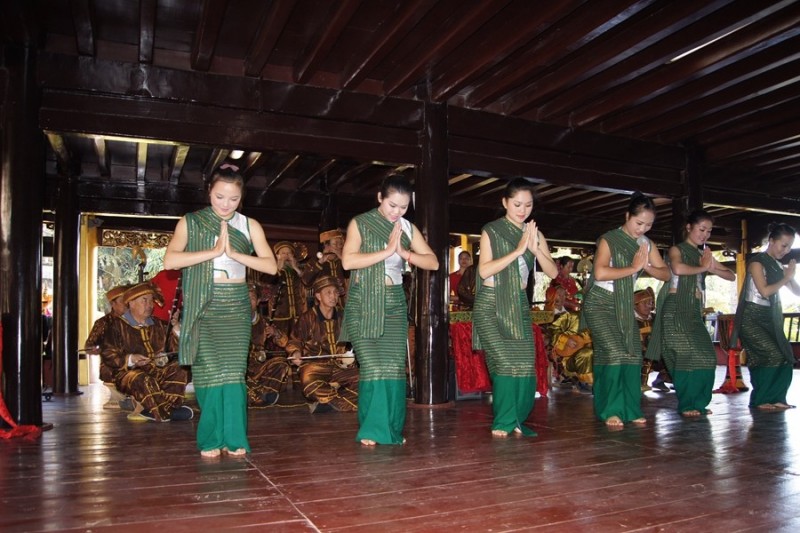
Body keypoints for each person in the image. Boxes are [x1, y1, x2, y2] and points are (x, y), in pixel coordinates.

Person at [164, 163, 277, 458]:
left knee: (233, 373)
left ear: (242, 198)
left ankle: (235, 437)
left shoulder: (250, 225)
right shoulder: (190, 222)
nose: (226, 205)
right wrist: (213, 253)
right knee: (209, 373)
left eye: (233, 199)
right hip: (204, 303)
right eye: (219, 197)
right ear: (208, 193)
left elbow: (270, 265)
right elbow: (170, 261)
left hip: (236, 304)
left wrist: (235, 253)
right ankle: (211, 438)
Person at [341, 174, 439, 446]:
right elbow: (348, 261)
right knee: (373, 366)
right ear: (379, 198)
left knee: (393, 367)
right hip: (364, 302)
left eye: (404, 207)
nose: (397, 212)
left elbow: (432, 262)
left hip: (394, 302)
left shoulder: (407, 228)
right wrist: (386, 252)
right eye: (392, 205)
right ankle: (372, 429)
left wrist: (405, 253)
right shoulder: (360, 223)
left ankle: (391, 428)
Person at [472, 178, 558, 437]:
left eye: (528, 205)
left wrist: (535, 249)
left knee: (524, 363)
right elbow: (485, 269)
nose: (522, 210)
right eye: (517, 204)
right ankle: (504, 420)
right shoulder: (492, 230)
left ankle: (517, 419)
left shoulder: (535, 233)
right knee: (506, 362)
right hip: (491, 302)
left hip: (518, 303)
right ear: (505, 203)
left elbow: (553, 272)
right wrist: (518, 250)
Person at [582, 192, 670, 428]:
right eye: (638, 223)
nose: (642, 229)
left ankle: (629, 409)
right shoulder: (609, 239)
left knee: (632, 354)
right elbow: (600, 272)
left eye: (648, 225)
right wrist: (632, 267)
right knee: (612, 353)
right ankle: (610, 409)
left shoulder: (646, 244)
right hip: (600, 302)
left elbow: (666, 273)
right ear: (627, 216)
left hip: (623, 304)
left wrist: (646, 267)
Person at [647, 210, 736, 416]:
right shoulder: (676, 249)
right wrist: (702, 267)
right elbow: (677, 269)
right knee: (686, 356)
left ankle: (699, 402)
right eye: (701, 229)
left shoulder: (702, 256)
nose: (705, 234)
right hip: (676, 307)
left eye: (709, 231)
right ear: (689, 227)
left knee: (706, 356)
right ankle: (688, 404)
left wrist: (711, 267)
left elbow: (731, 276)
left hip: (693, 311)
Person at [731, 222, 800, 411]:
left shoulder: (778, 265)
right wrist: (786, 277)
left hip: (769, 319)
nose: (786, 250)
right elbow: (764, 291)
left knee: (786, 357)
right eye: (783, 245)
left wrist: (790, 276)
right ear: (771, 241)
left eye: (789, 247)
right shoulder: (756, 262)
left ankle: (777, 398)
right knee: (771, 356)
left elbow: (797, 291)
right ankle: (762, 399)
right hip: (751, 318)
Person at [100, 282, 192, 422]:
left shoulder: (159, 325)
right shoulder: (115, 327)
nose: (150, 305)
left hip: (157, 370)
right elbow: (108, 355)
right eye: (145, 300)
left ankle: (157, 409)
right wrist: (130, 359)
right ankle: (164, 412)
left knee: (181, 368)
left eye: (151, 300)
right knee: (141, 378)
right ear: (131, 303)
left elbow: (174, 350)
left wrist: (176, 328)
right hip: (127, 374)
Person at [287, 275, 358, 413]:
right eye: (328, 293)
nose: (333, 296)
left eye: (336, 293)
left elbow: (356, 338)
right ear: (318, 296)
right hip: (315, 366)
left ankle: (327, 401)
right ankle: (343, 401)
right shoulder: (306, 318)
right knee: (309, 386)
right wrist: (295, 352)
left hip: (340, 366)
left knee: (365, 381)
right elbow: (295, 341)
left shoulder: (344, 316)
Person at [245, 284, 291, 408]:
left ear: (258, 301)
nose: (248, 302)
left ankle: (261, 392)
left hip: (258, 367)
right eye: (244, 298)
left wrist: (275, 333)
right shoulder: (231, 321)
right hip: (239, 368)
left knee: (281, 364)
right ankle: (260, 395)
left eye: (252, 298)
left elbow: (285, 343)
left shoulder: (264, 322)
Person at [266, 241, 307, 335]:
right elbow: (267, 283)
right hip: (279, 315)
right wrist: (278, 268)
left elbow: (308, 281)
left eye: (289, 253)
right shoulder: (271, 270)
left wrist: (295, 267)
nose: (286, 256)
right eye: (283, 253)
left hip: (298, 314)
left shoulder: (297, 271)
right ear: (277, 256)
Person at [303, 228, 348, 299]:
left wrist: (341, 257)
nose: (338, 247)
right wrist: (320, 262)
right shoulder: (314, 261)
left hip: (343, 303)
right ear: (326, 245)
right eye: (335, 243)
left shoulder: (343, 261)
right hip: (323, 303)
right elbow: (306, 281)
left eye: (340, 244)